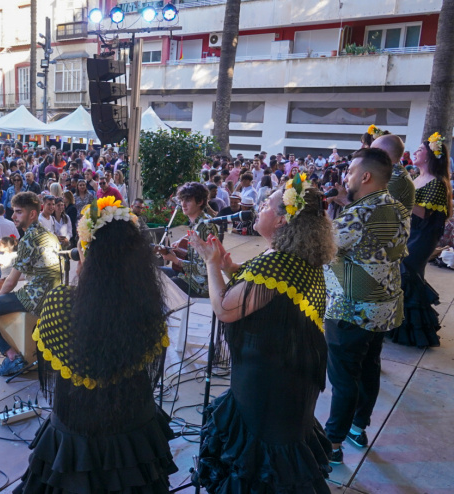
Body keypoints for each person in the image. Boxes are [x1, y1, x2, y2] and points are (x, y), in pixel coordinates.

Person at [15, 199, 177, 493]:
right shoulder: (149, 307)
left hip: (75, 432)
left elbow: (51, 370)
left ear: (87, 254)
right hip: (133, 432)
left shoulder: (60, 303)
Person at [190, 180, 335, 492]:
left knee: (261, 462)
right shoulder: (292, 258)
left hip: (270, 379)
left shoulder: (277, 263)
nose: (259, 207)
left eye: (268, 204)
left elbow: (226, 309)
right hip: (287, 374)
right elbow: (267, 294)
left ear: (282, 219)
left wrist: (212, 265)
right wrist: (231, 269)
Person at [323, 148, 410, 465]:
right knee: (369, 368)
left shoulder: (357, 217)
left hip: (350, 310)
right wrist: (345, 206)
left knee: (344, 380)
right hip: (383, 308)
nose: (345, 178)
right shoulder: (397, 208)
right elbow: (368, 236)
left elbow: (322, 249)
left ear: (365, 176)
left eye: (349, 173)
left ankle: (331, 445)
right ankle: (358, 428)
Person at [0, 192, 62, 376]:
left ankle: (12, 357)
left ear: (32, 214)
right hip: (52, 296)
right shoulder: (49, 235)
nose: (13, 216)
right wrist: (5, 281)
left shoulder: (29, 238)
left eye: (18, 212)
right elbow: (34, 272)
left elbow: (11, 282)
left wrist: (1, 302)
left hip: (35, 299)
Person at [388, 135, 451, 348]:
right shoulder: (416, 177)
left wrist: (399, 198)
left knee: (408, 275)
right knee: (404, 278)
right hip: (408, 233)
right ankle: (400, 327)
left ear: (431, 155)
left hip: (422, 238)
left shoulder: (437, 183)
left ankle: (413, 332)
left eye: (419, 150)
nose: (414, 153)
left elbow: (424, 214)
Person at [159, 182, 219, 297]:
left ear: (200, 202)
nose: (183, 204)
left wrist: (175, 260)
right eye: (182, 200)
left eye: (188, 200)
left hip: (200, 285)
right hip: (189, 277)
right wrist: (182, 242)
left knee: (160, 287)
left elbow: (203, 269)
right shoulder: (198, 223)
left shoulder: (205, 227)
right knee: (155, 272)